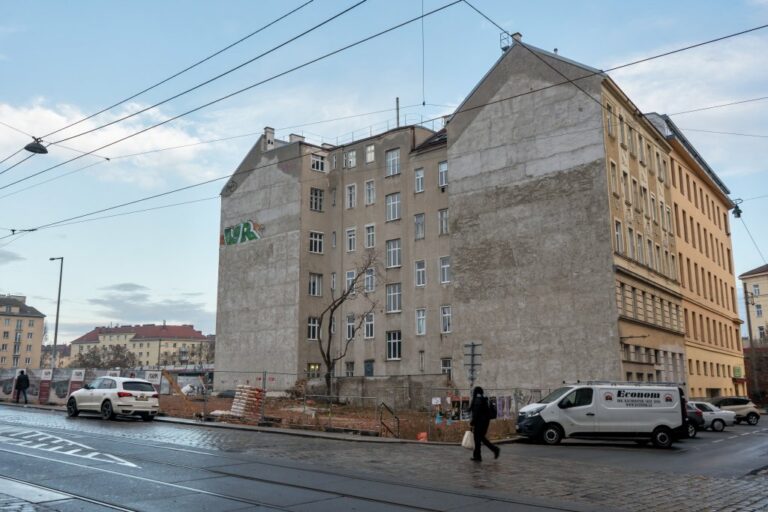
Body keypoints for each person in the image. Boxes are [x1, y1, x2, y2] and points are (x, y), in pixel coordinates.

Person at [469, 386, 499, 462]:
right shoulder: (484, 399)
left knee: (478, 438)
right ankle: (478, 456)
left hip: (480, 422)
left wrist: (472, 422)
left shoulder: (477, 400)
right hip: (485, 422)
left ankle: (494, 450)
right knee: (479, 438)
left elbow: (476, 413)